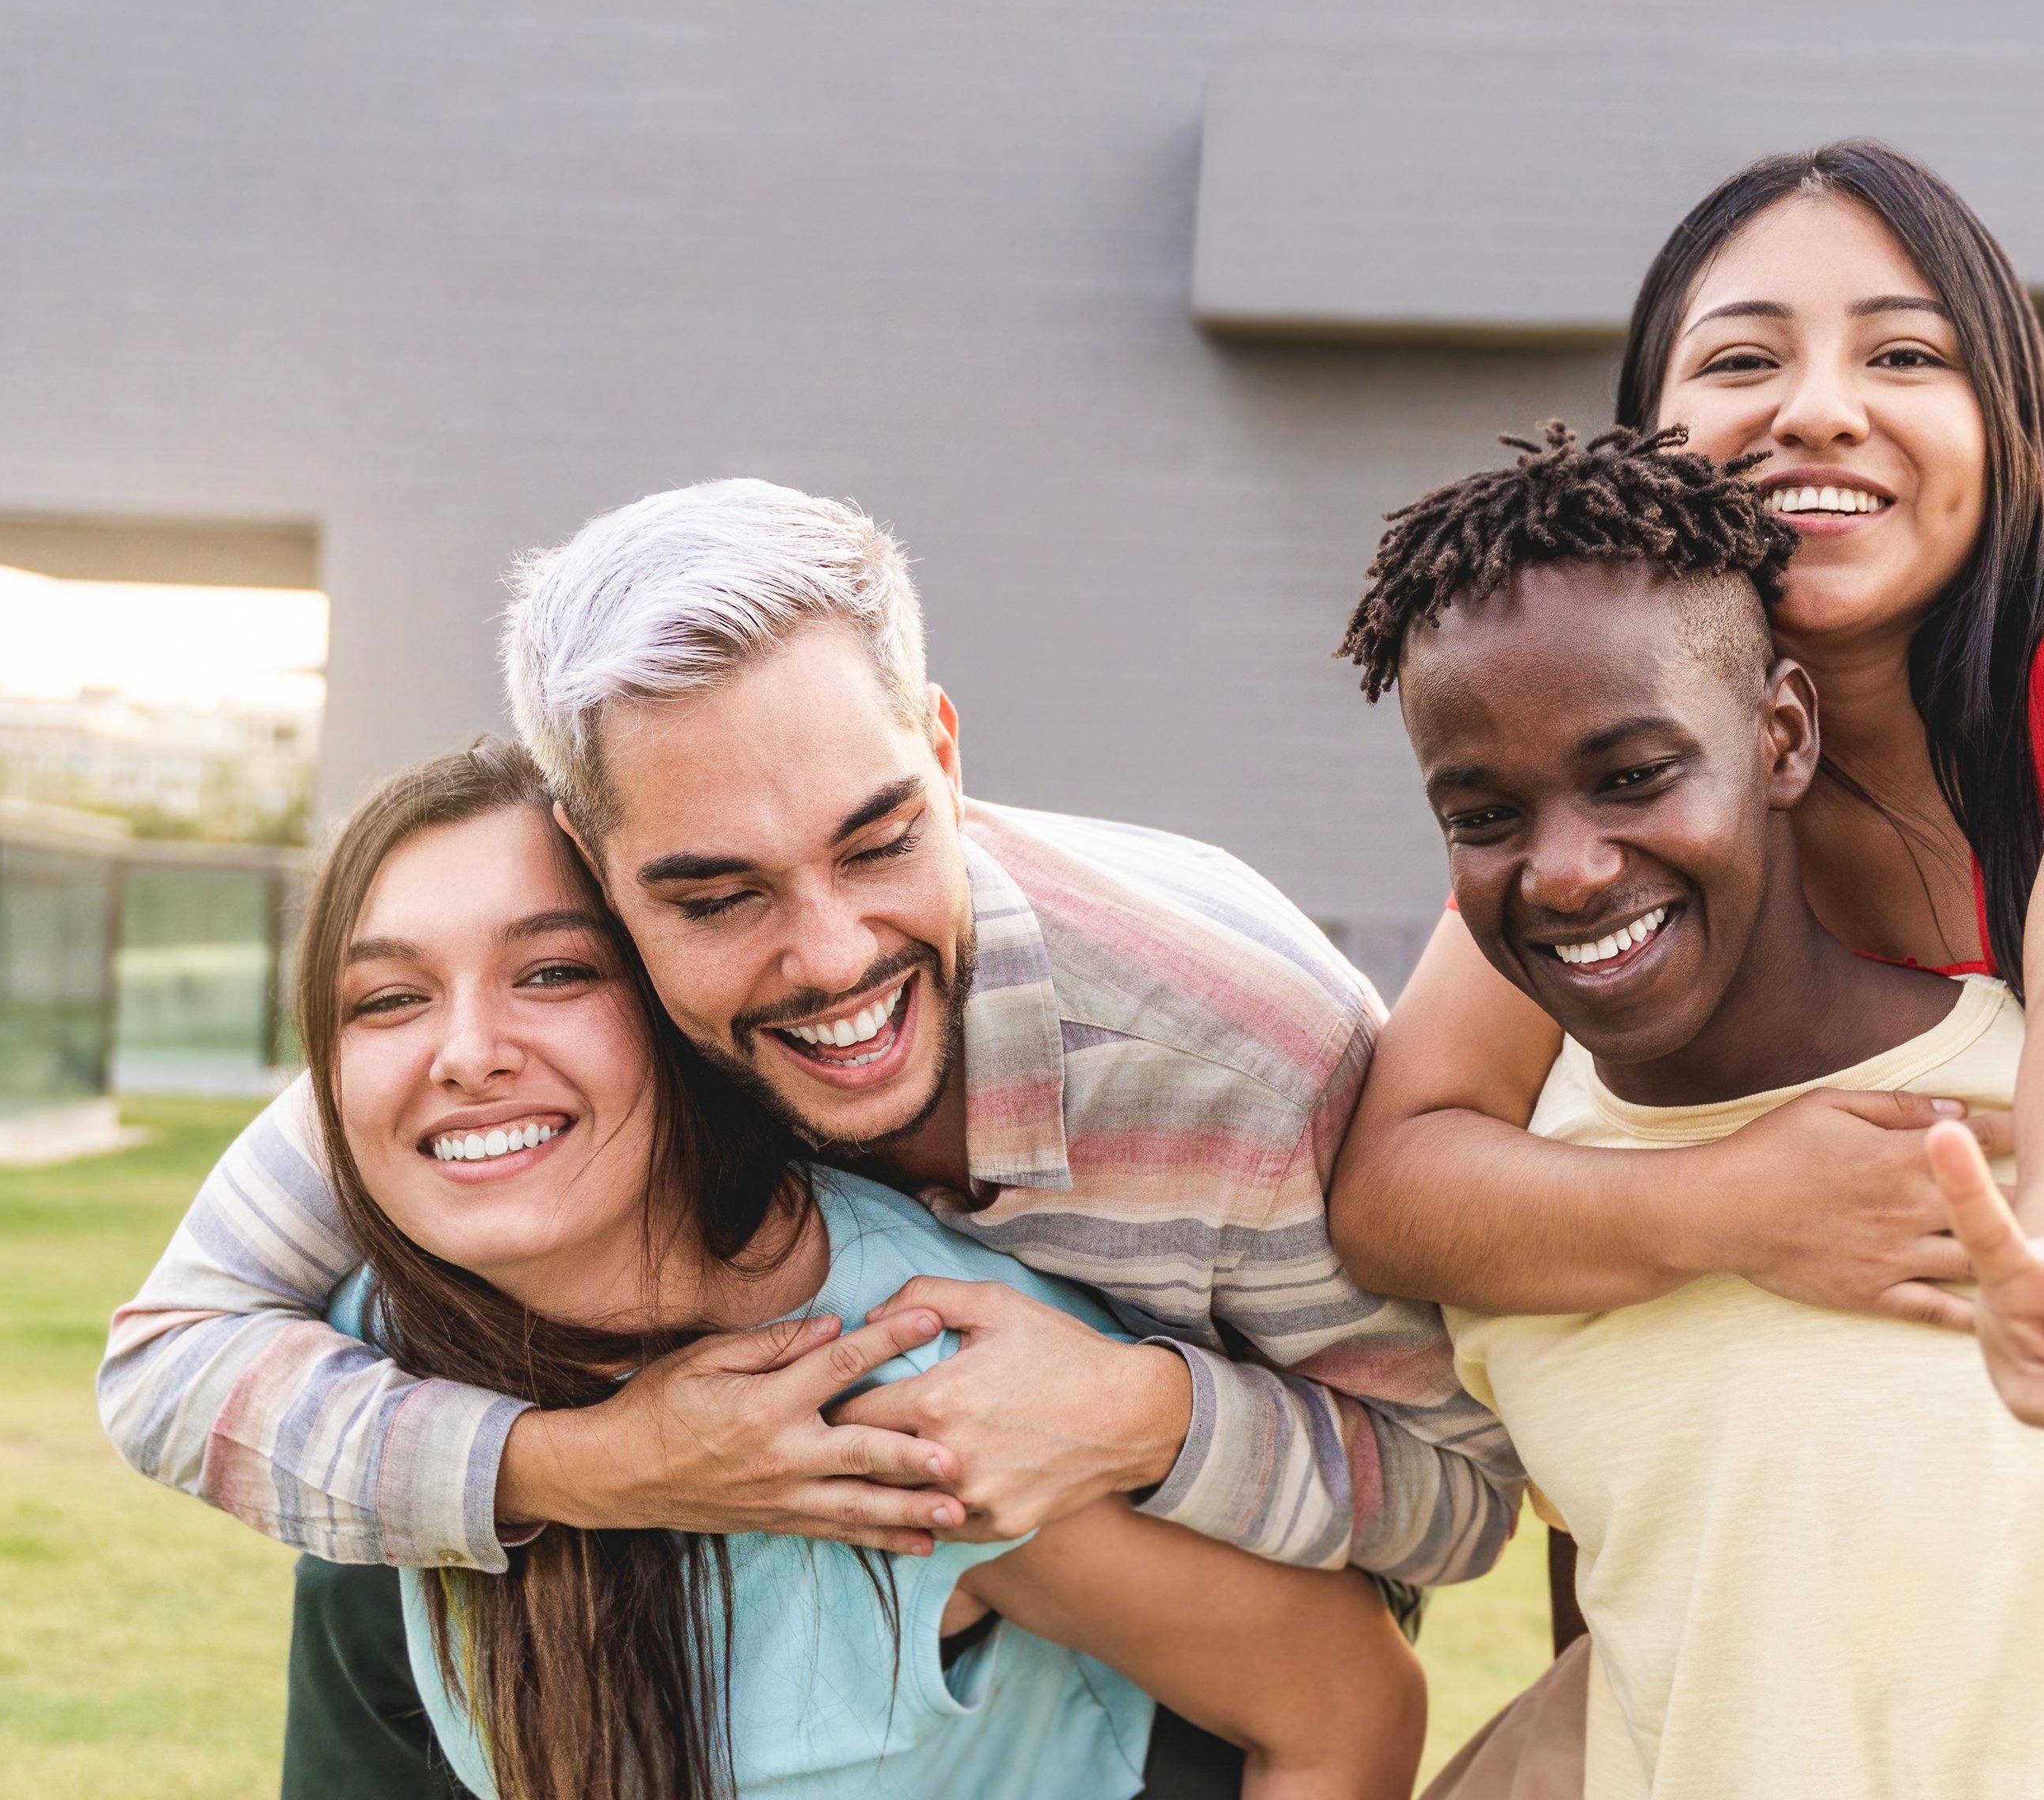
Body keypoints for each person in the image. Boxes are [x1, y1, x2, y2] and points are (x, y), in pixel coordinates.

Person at [98, 479, 1520, 1794]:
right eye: (717, 898)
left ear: (943, 757)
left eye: (878, 841)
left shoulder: (1239, 1061)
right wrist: (595, 1466)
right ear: (607, 882)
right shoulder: (522, 1044)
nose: (830, 957)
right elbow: (170, 1354)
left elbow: (1452, 1512)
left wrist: (1142, 1413)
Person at [1345, 421, 2044, 1797]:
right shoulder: (1531, 1207)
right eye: (1483, 815)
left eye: (1637, 776)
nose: (1568, 873)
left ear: (1783, 739)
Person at [1332, 141, 2044, 1449]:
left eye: (1904, 357)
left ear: (2005, 414)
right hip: (1969, 1503)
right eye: (1743, 362)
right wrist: (1731, 1206)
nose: (1819, 412)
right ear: (1646, 442)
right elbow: (1398, 1175)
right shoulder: (1658, 763)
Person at [293, 740, 1424, 1799]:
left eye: (552, 974)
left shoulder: (907, 1369)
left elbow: (1346, 1711)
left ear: (668, 1001)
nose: (468, 1054)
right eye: (389, 998)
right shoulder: (359, 1391)